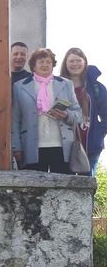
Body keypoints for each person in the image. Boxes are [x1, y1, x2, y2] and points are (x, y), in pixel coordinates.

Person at [12, 48, 82, 173]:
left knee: (62, 183)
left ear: (53, 65)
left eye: (48, 62)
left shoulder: (66, 84)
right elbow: (15, 119)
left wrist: (66, 115)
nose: (45, 65)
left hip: (61, 145)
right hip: (31, 146)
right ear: (33, 66)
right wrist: (16, 147)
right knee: (34, 184)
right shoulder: (19, 86)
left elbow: (79, 114)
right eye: (41, 62)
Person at [60, 47, 107, 175]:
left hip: (91, 144)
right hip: (65, 145)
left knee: (87, 183)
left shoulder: (97, 88)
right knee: (64, 182)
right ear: (65, 64)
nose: (75, 64)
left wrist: (99, 134)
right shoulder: (58, 85)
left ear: (85, 62)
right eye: (71, 61)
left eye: (78, 60)